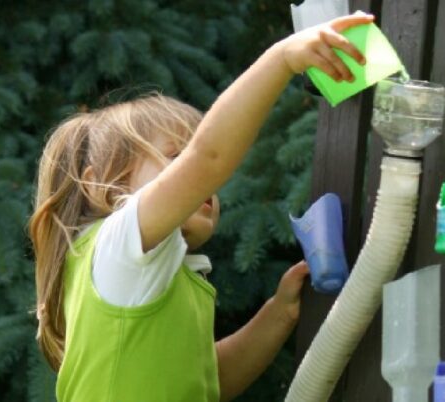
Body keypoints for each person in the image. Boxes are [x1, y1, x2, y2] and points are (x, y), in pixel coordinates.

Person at [28, 12, 375, 402]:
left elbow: (211, 381)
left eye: (187, 156)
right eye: (175, 155)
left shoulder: (155, 274)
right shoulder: (117, 247)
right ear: (102, 186)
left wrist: (279, 313)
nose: (197, 176)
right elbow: (209, 158)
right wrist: (282, 59)